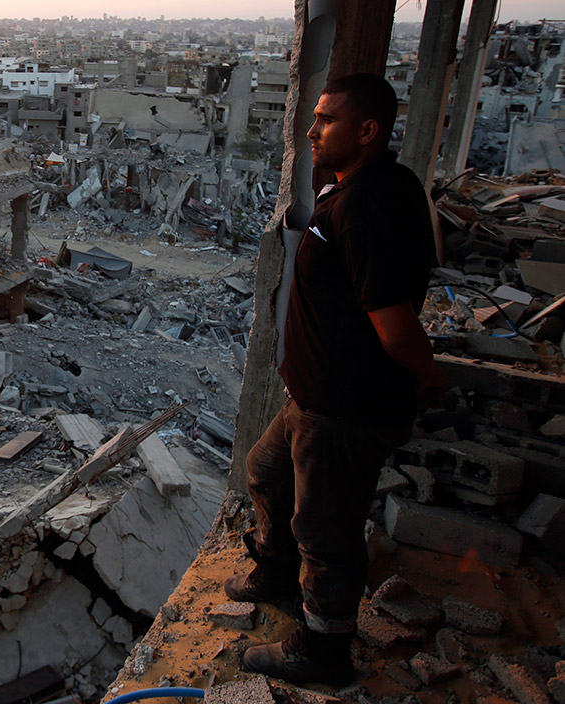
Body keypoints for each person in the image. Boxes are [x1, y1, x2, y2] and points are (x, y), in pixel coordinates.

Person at [228, 73, 446, 686]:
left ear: (367, 130)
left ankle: (322, 652)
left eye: (325, 119)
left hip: (344, 406)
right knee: (266, 472)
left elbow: (396, 327)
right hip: (315, 393)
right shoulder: (368, 185)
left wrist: (427, 377)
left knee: (326, 530)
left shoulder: (367, 205)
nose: (311, 129)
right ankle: (274, 573)